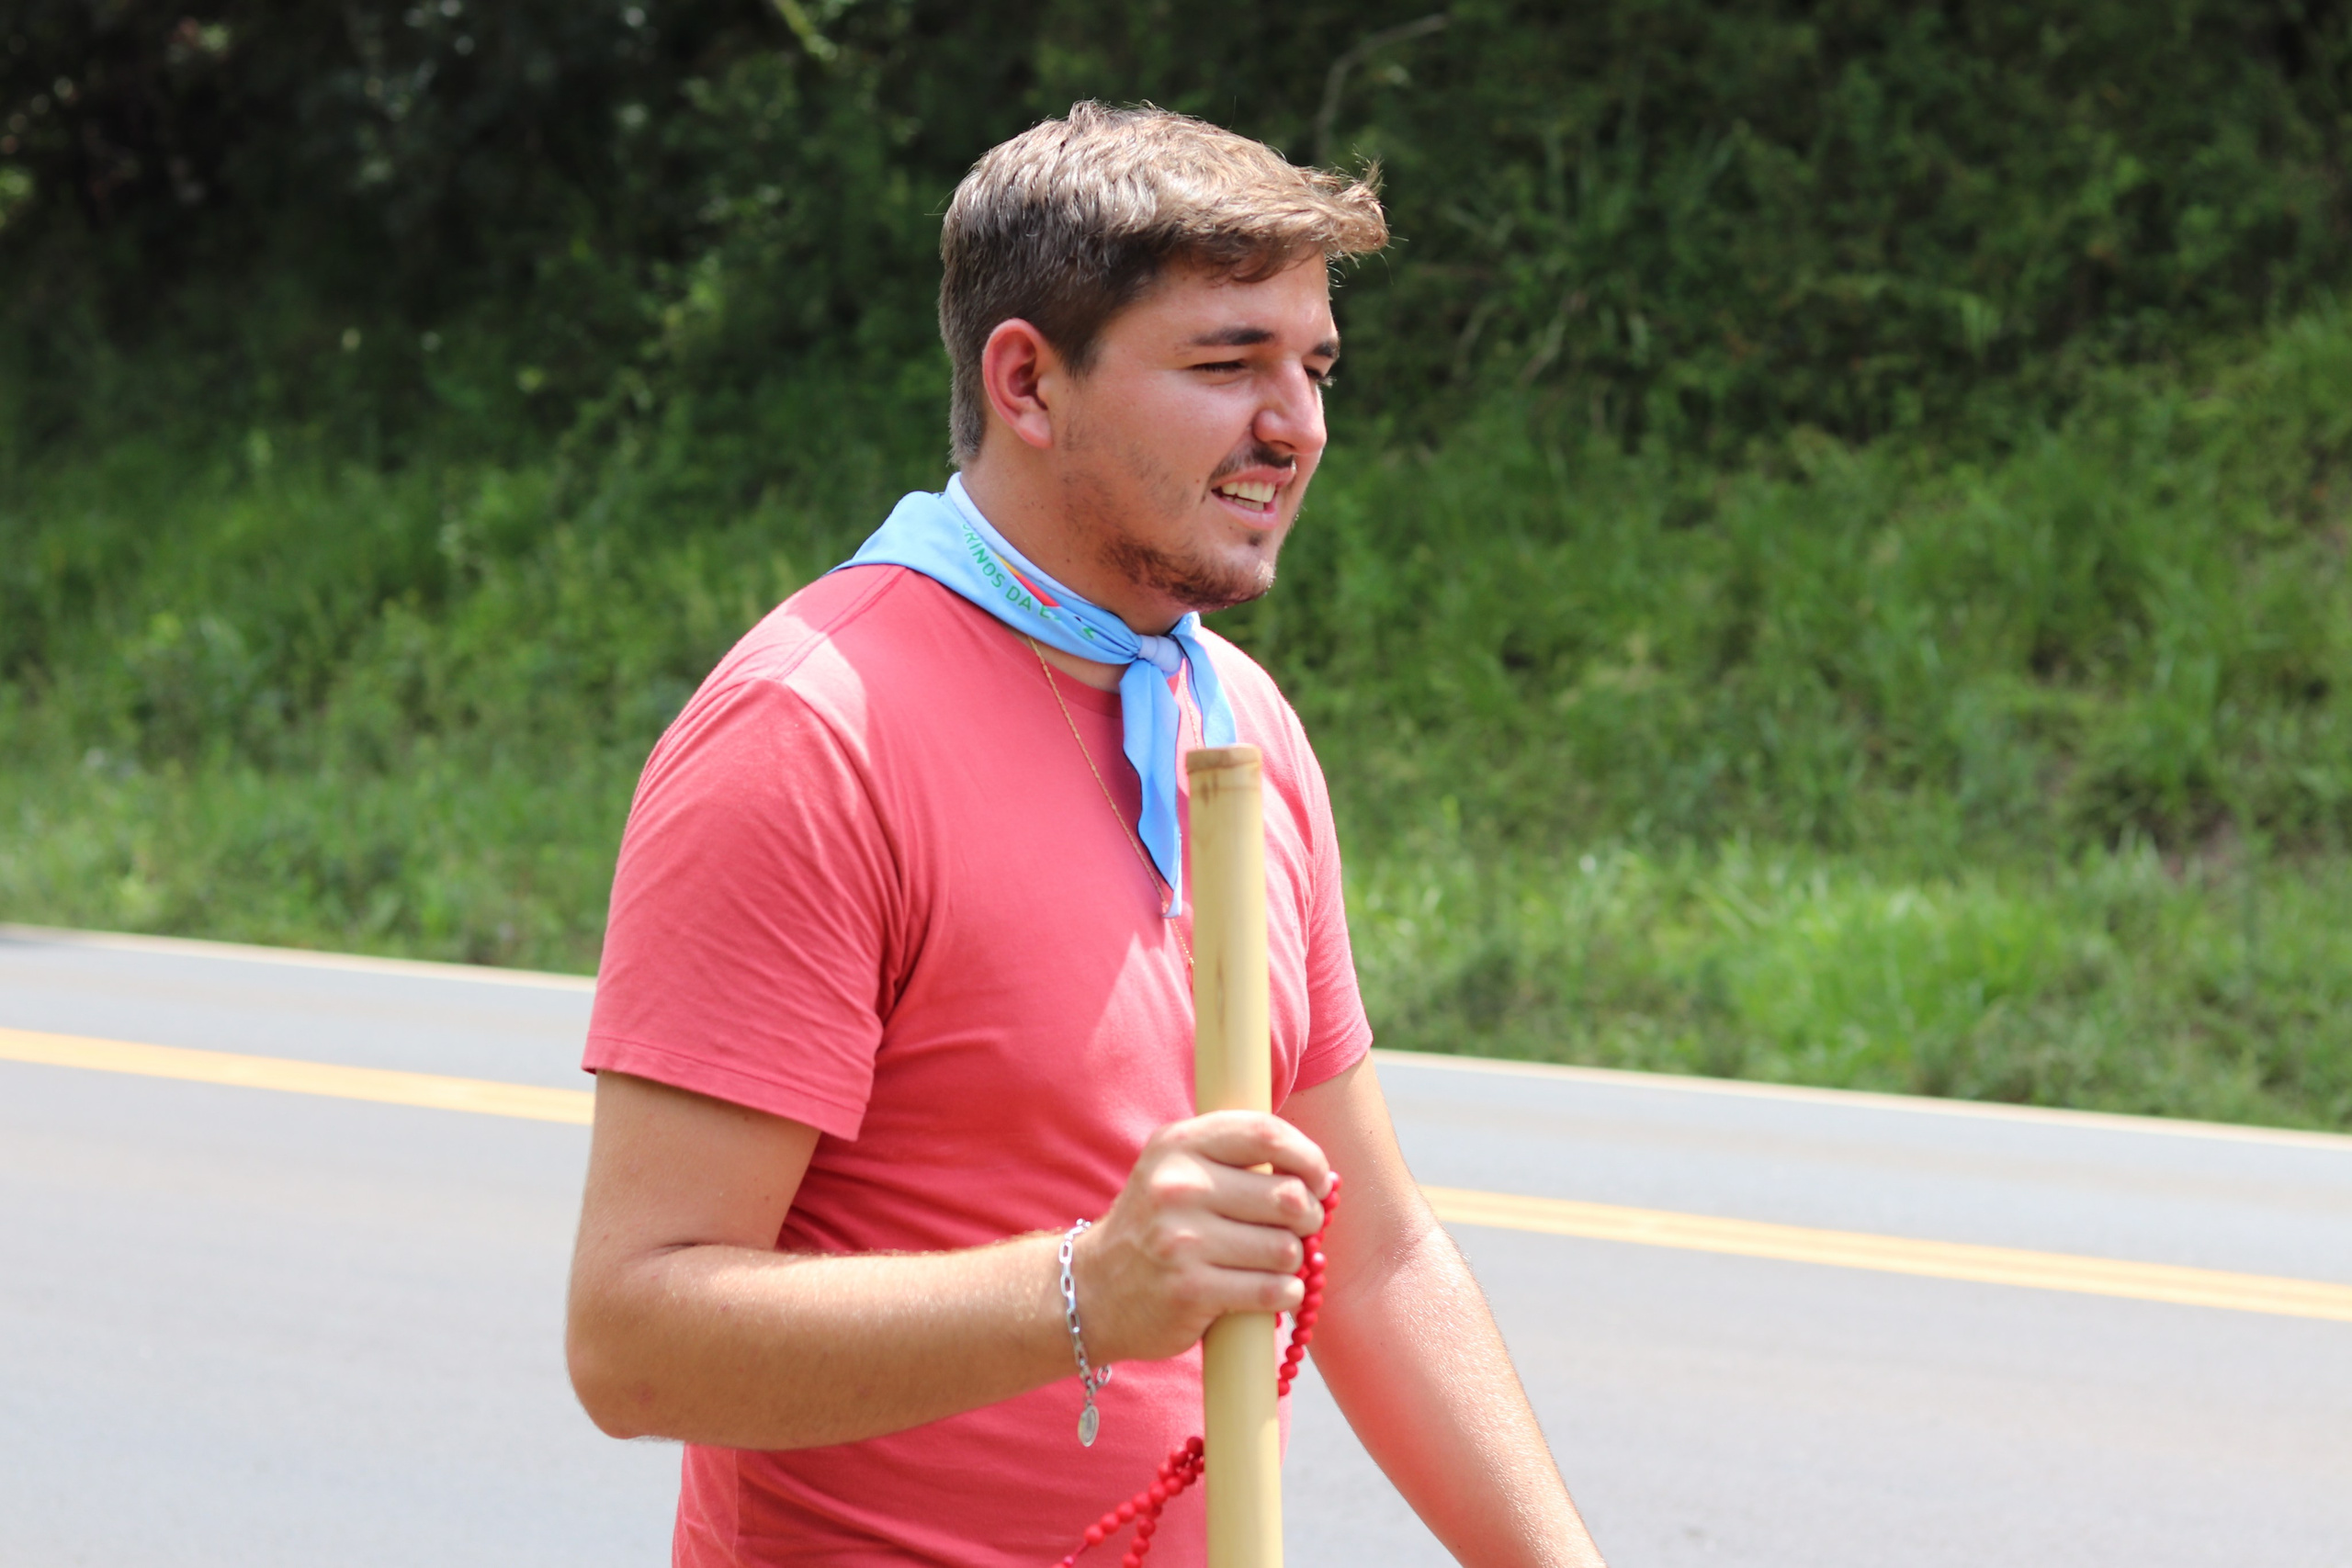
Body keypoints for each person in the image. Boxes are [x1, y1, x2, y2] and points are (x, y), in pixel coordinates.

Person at [565, 101, 1609, 1568]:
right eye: (1225, 362)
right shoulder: (810, 733)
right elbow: (634, 1342)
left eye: (1313, 366)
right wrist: (1083, 1294)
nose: (1296, 424)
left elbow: (1369, 1261)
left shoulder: (1233, 719)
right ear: (1028, 385)